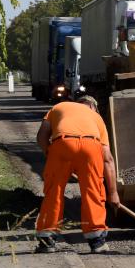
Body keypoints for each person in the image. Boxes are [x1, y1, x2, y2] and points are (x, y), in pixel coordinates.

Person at [35, 94, 120, 253]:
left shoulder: (59, 107)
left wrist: (51, 153)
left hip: (62, 143)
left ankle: (47, 239)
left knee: (53, 192)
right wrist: (113, 193)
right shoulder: (97, 118)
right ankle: (97, 242)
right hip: (91, 146)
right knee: (93, 191)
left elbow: (41, 136)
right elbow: (108, 159)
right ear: (93, 107)